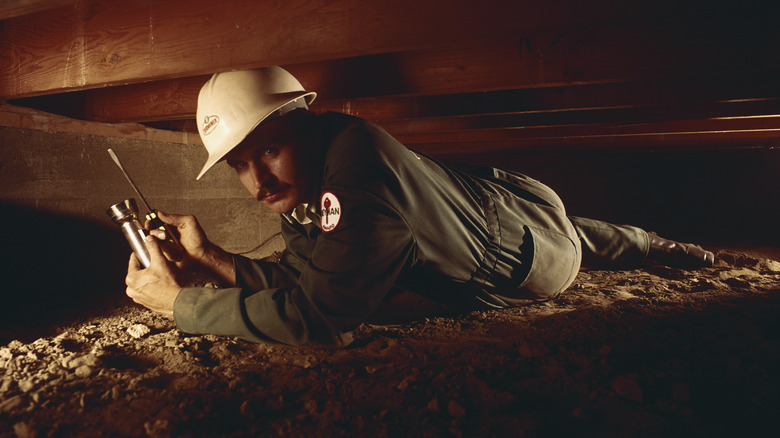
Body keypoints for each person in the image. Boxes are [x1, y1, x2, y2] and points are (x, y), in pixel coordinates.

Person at [124, 67, 714, 347]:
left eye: (269, 150)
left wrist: (180, 303)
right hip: (487, 196)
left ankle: (671, 250)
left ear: (301, 122)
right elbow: (307, 273)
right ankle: (672, 247)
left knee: (578, 243)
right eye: (239, 163)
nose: (256, 179)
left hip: (534, 255)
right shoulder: (325, 162)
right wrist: (209, 256)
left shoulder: (353, 181)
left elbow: (317, 314)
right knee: (587, 231)